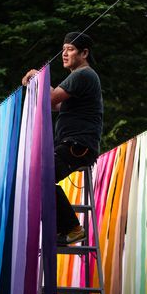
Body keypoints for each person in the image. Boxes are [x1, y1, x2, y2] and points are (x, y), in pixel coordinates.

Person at [22, 32, 103, 245]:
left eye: (70, 49)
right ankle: (66, 227)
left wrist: (37, 78)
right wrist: (36, 83)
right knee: (38, 177)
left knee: (40, 177)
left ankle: (73, 228)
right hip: (73, 144)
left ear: (84, 53)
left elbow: (49, 99)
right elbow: (55, 104)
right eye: (63, 49)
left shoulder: (83, 75)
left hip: (77, 145)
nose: (64, 53)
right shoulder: (80, 77)